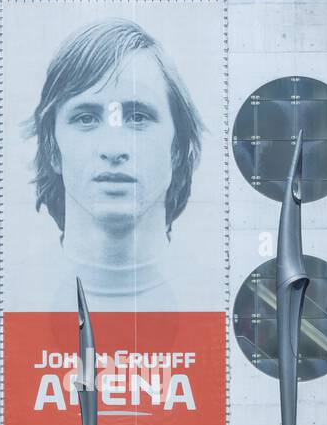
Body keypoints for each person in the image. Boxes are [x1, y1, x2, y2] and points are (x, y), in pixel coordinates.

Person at [26, 17, 204, 307]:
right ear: (52, 148)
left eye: (137, 117)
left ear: (177, 148)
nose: (113, 148)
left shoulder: (215, 296)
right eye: (86, 118)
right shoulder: (15, 295)